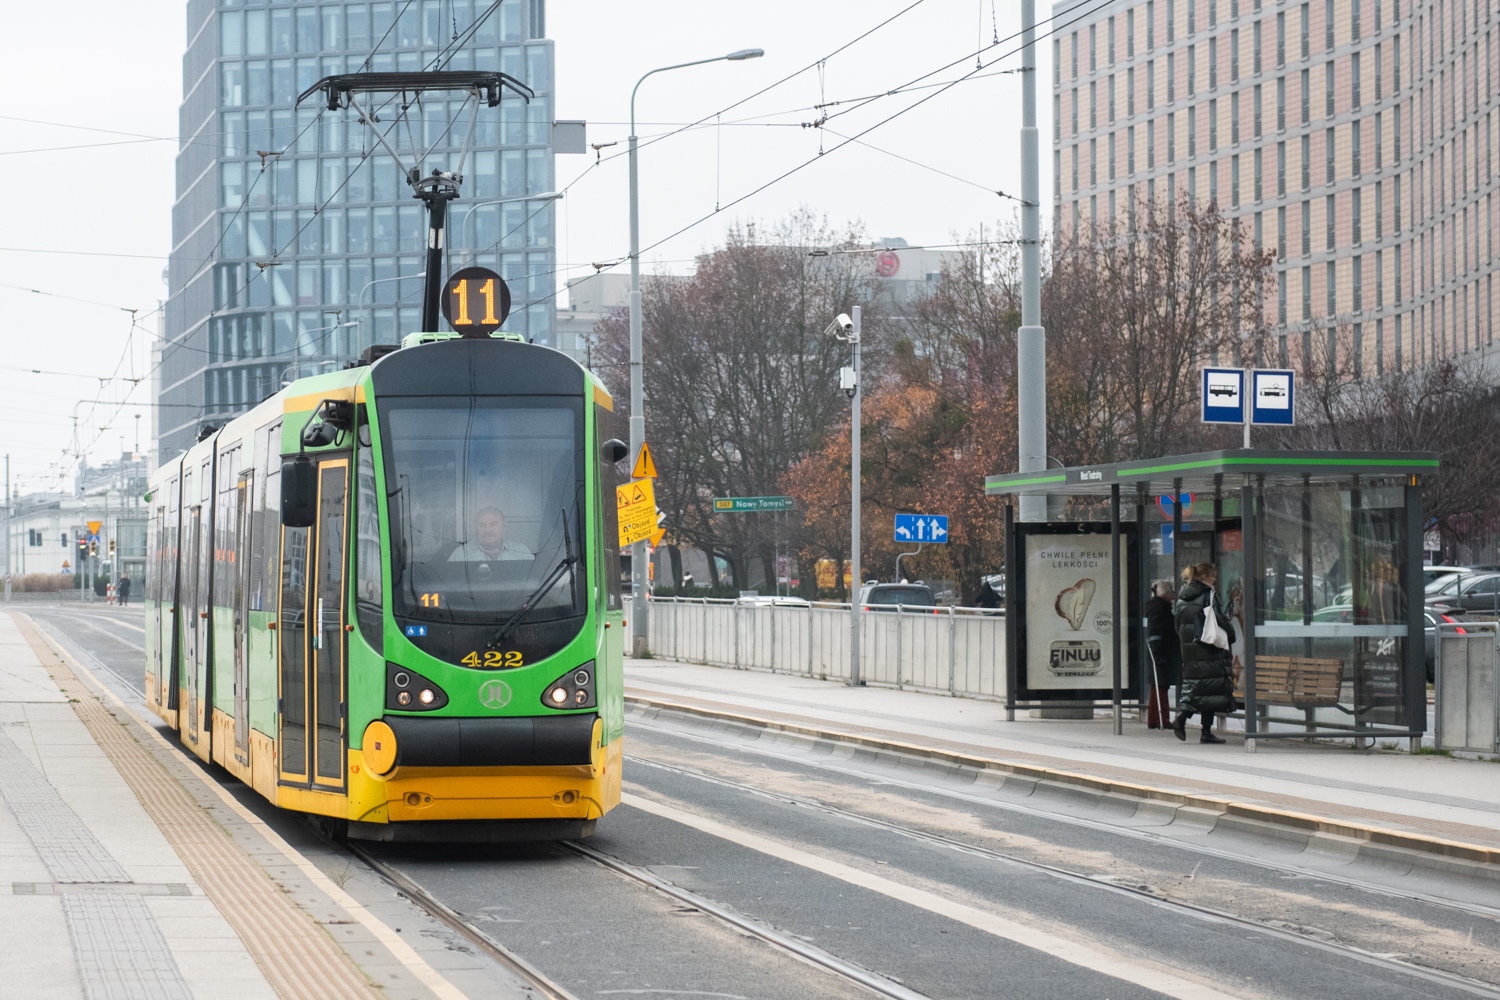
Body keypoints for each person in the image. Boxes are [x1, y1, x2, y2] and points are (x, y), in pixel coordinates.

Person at [1173, 562, 1237, 744]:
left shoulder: (1182, 598)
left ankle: (1188, 721)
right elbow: (1220, 619)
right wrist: (1231, 635)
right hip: (1209, 648)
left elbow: (1177, 625)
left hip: (1191, 650)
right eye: (1213, 576)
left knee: (1200, 687)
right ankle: (1200, 729)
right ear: (1204, 578)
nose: (1215, 579)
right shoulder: (1209, 595)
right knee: (1210, 688)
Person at [1144, 579, 1181, 729]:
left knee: (1157, 686)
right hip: (1161, 653)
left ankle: (1154, 719)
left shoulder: (1157, 607)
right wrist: (1157, 653)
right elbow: (1155, 632)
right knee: (1161, 686)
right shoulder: (1160, 609)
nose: (1173, 595)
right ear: (1165, 594)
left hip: (1160, 652)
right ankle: (1162, 719)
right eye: (1171, 592)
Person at [443, 506, 531, 562]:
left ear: (503, 527)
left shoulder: (521, 552)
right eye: (482, 525)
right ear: (476, 528)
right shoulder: (461, 554)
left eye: (493, 524)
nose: (488, 530)